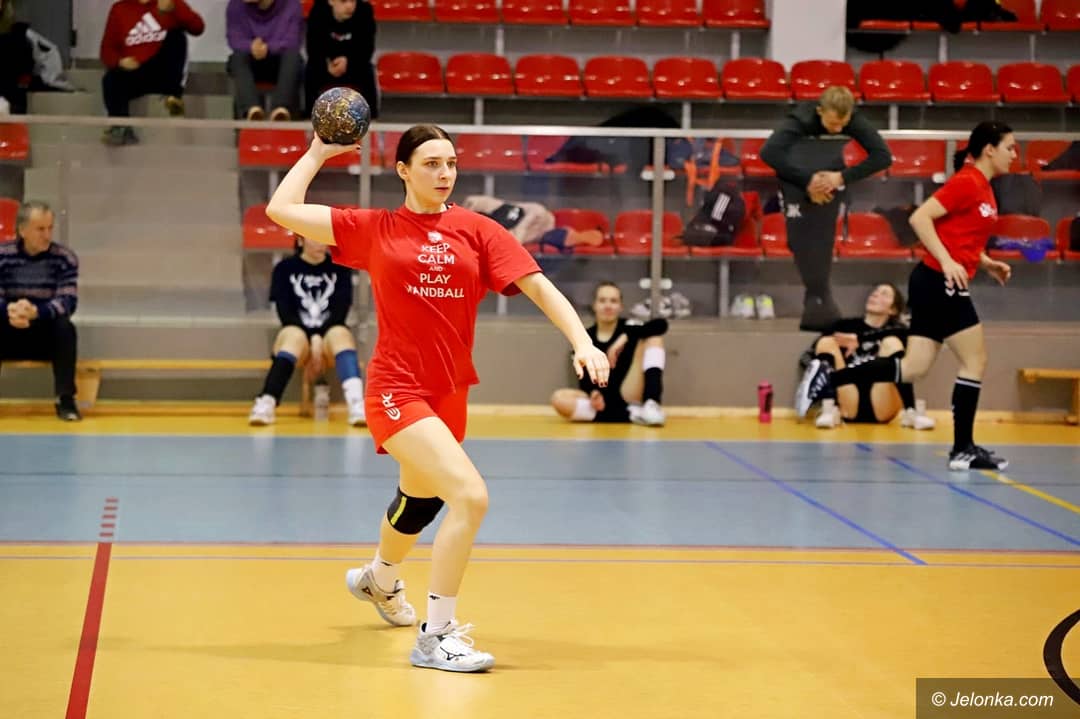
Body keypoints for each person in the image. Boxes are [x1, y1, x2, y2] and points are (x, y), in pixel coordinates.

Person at [263, 124, 609, 672]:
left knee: (419, 501)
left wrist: (583, 341)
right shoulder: (375, 228)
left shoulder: (479, 231)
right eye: (431, 164)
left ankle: (379, 579)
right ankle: (437, 635)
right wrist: (318, 152)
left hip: (449, 391)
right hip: (396, 388)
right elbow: (281, 209)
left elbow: (539, 286)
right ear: (403, 170)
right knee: (470, 497)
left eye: (451, 163)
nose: (445, 173)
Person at [796, 121, 1015, 471]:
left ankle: (828, 379)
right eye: (1010, 147)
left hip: (933, 281)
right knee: (975, 361)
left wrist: (985, 263)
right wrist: (948, 262)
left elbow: (959, 234)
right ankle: (963, 449)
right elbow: (921, 219)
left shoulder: (983, 187)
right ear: (989, 149)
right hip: (939, 281)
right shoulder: (968, 181)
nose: (1014, 155)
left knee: (913, 368)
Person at [760, 85, 892, 332]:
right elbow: (769, 153)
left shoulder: (851, 117)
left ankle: (819, 303)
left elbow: (883, 156)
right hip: (796, 180)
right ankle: (820, 301)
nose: (838, 129)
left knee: (822, 243)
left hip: (832, 180)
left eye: (843, 124)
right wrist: (808, 181)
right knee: (798, 243)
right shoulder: (799, 119)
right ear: (820, 111)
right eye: (832, 124)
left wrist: (841, 177)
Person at [249, 235, 366, 426]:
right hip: (298, 337)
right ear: (300, 240)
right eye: (314, 238)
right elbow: (285, 313)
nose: (321, 243)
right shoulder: (284, 269)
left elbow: (340, 313)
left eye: (324, 238)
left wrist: (319, 337)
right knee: (293, 336)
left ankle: (357, 403)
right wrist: (312, 338)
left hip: (328, 338)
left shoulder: (340, 268)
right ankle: (266, 401)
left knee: (341, 334)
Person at [797, 283, 935, 430]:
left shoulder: (898, 331)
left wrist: (861, 339)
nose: (875, 294)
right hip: (848, 397)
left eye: (884, 294)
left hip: (882, 399)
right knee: (826, 342)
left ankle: (911, 412)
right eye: (875, 291)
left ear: (893, 309)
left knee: (892, 343)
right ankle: (829, 409)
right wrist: (821, 371)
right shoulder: (844, 326)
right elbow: (807, 358)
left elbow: (913, 362)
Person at [0, 200, 81, 421]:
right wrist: (9, 310)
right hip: (9, 329)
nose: (47, 235)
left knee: (65, 328)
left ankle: (66, 400)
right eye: (40, 229)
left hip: (43, 333)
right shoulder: (2, 255)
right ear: (22, 230)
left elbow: (68, 301)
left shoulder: (64, 258)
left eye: (50, 228)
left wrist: (36, 312)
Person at [551, 281, 667, 426]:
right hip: (601, 400)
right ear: (594, 305)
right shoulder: (586, 337)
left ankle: (651, 404)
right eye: (602, 300)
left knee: (654, 339)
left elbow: (661, 324)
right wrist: (593, 393)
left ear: (621, 306)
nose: (608, 306)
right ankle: (630, 414)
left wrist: (626, 336)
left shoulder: (629, 327)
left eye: (613, 301)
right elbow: (583, 378)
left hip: (628, 393)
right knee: (559, 399)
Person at [99, 0, 206, 145]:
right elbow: (106, 50)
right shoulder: (119, 8)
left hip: (163, 70)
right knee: (111, 78)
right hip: (135, 71)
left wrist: (175, 9)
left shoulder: (170, 2)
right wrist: (120, 61)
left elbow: (198, 28)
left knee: (176, 37)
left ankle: (173, 97)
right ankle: (120, 127)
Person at [226, 0, 303, 121]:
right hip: (251, 61)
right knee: (237, 58)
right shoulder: (235, 4)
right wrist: (251, 46)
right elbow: (234, 39)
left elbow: (292, 41)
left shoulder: (291, 4)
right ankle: (252, 110)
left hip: (278, 63)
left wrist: (267, 47)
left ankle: (281, 110)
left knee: (293, 58)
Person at [303, 0, 379, 119]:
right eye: (343, 1)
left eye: (352, 1)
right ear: (331, 1)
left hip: (355, 64)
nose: (349, 6)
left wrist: (348, 61)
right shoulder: (318, 11)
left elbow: (366, 48)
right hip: (327, 64)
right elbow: (313, 46)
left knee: (367, 71)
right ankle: (310, 115)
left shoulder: (364, 11)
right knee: (311, 69)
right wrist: (327, 63)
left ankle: (371, 116)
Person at [461, 195, 606, 252]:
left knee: (544, 230)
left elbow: (472, 200)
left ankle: (576, 236)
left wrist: (464, 213)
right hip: (539, 234)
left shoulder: (492, 208)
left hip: (539, 218)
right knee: (550, 238)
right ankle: (574, 235)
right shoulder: (489, 233)